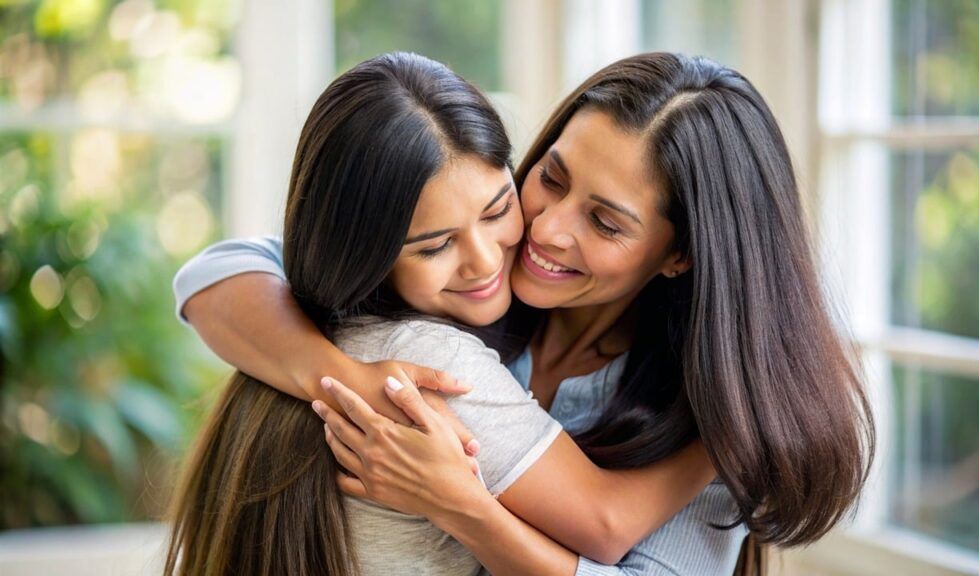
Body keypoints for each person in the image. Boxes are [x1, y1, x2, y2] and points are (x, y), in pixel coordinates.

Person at [174, 52, 875, 575]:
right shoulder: (454, 277)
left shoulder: (696, 409)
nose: (545, 229)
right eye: (551, 178)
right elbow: (221, 271)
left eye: (604, 221)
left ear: (680, 255)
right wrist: (341, 378)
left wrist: (468, 512)